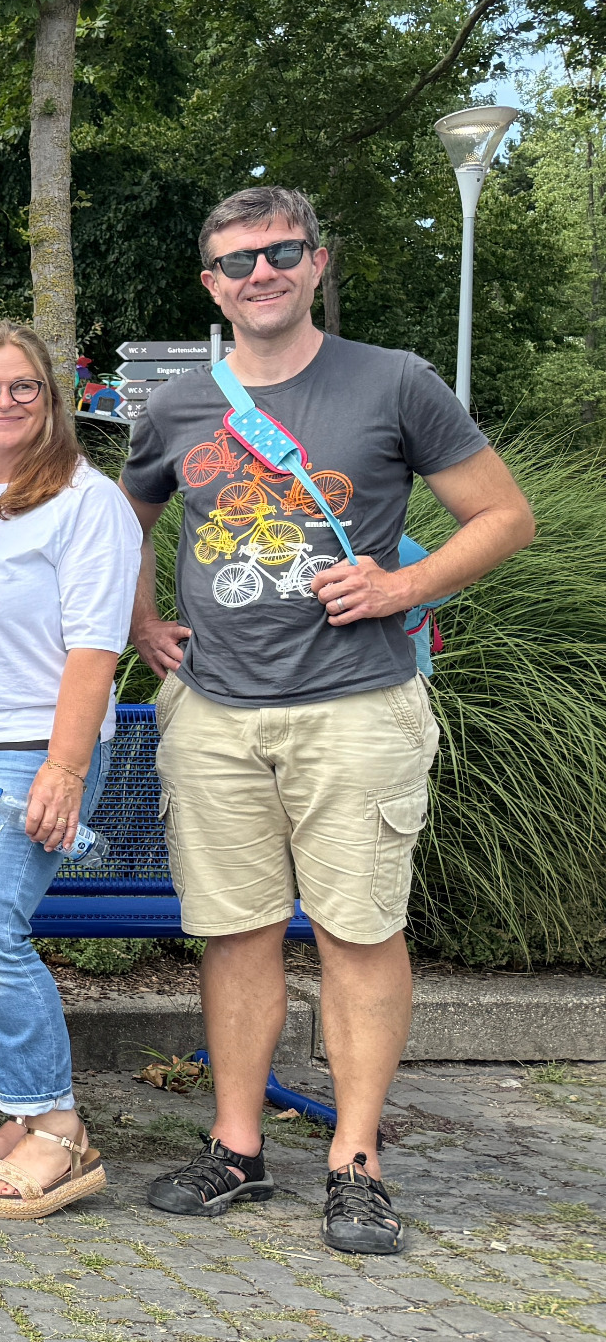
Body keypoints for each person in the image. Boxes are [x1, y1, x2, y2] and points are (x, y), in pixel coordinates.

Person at [125, 186, 535, 1255]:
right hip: (215, 712)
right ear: (210, 284)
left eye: (280, 251)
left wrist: (403, 587)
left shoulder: (392, 380)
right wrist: (140, 621)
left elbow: (503, 515)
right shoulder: (177, 405)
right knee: (234, 932)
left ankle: (355, 1161)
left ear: (316, 261)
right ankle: (236, 1146)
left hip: (355, 706)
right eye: (236, 261)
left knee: (358, 931)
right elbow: (123, 521)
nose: (259, 272)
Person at [0, 321, 139, 1220]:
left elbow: (94, 649)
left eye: (23, 386)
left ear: (51, 401)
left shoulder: (87, 502)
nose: (3, 401)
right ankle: (21, 1112)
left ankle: (58, 1125)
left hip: (30, 749)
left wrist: (64, 768)